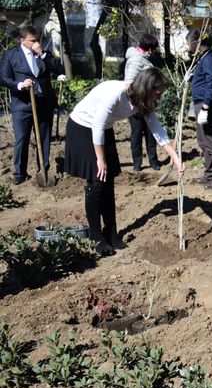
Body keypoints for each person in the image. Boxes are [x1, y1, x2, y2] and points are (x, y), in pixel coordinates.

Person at [64, 68, 185, 256]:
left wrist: (175, 157)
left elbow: (157, 129)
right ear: (147, 88)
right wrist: (101, 159)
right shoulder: (116, 94)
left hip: (104, 129)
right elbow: (96, 125)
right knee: (97, 181)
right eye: (157, 92)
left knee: (109, 180)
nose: (158, 97)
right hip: (83, 127)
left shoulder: (144, 101)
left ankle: (111, 233)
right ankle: (96, 236)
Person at [0, 25, 65, 185]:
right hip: (23, 104)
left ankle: (43, 169)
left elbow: (59, 69)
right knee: (22, 139)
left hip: (44, 104)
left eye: (38, 40)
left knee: (44, 139)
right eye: (33, 40)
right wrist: (20, 84)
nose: (36, 43)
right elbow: (3, 78)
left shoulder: (43, 55)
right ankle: (20, 173)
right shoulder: (11, 55)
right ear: (23, 40)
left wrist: (42, 55)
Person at [187, 29, 212, 190]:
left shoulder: (209, 59)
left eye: (188, 43)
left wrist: (205, 107)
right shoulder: (203, 59)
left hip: (206, 105)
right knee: (203, 141)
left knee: (210, 141)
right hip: (201, 103)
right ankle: (210, 174)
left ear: (195, 43)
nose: (188, 46)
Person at [124, 34, 161, 172]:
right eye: (152, 49)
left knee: (150, 133)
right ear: (148, 49)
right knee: (137, 133)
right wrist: (136, 105)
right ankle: (137, 163)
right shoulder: (136, 60)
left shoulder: (142, 59)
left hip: (146, 103)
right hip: (136, 105)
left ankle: (153, 161)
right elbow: (128, 84)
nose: (152, 52)